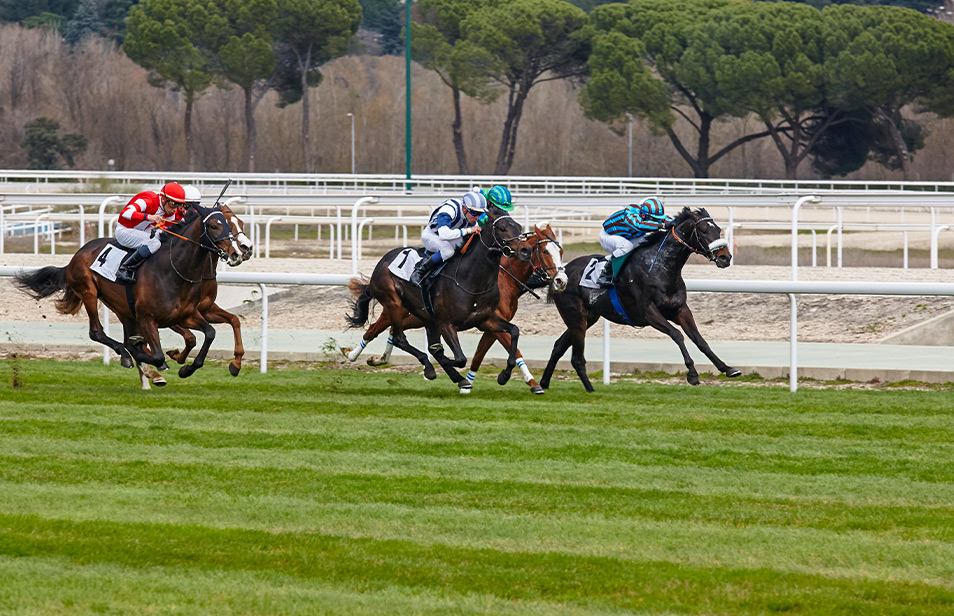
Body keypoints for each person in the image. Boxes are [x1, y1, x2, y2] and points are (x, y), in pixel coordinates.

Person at [410, 189, 488, 286]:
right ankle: (419, 272)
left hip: (450, 237)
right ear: (464, 208)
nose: (477, 217)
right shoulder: (449, 209)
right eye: (474, 213)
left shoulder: (470, 217)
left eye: (480, 214)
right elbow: (444, 234)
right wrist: (468, 230)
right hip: (432, 235)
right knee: (448, 251)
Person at [114, 182, 187, 284]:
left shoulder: (170, 210)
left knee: (166, 239)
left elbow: (169, 229)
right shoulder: (149, 200)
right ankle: (125, 268)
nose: (174, 209)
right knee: (154, 243)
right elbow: (125, 213)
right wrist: (149, 217)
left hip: (142, 231)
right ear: (163, 199)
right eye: (173, 204)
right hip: (124, 231)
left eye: (178, 205)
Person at [596, 196, 673, 287]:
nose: (657, 221)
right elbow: (639, 225)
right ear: (643, 215)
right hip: (609, 236)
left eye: (658, 219)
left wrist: (677, 222)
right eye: (654, 219)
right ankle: (605, 274)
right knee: (626, 246)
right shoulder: (630, 213)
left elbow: (667, 219)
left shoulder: (648, 214)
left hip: (629, 236)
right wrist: (662, 225)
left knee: (649, 242)